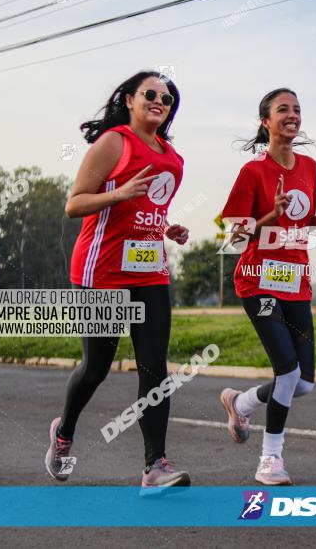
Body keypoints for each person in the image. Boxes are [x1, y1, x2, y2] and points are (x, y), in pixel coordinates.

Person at [45, 71, 191, 491]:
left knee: (155, 370)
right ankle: (64, 432)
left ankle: (154, 466)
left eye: (167, 98)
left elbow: (146, 209)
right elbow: (75, 204)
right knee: (96, 368)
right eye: (150, 94)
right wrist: (118, 194)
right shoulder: (113, 142)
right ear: (129, 99)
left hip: (149, 271)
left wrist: (167, 230)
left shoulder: (172, 156)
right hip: (102, 272)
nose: (159, 101)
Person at [219, 88, 316, 485]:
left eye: (297, 109)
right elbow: (234, 238)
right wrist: (270, 214)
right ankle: (270, 460)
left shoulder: (310, 167)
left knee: (303, 383)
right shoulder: (253, 172)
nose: (292, 115)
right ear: (265, 122)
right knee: (286, 372)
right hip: (258, 282)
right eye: (283, 109)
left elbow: (296, 227)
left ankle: (241, 402)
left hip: (296, 281)